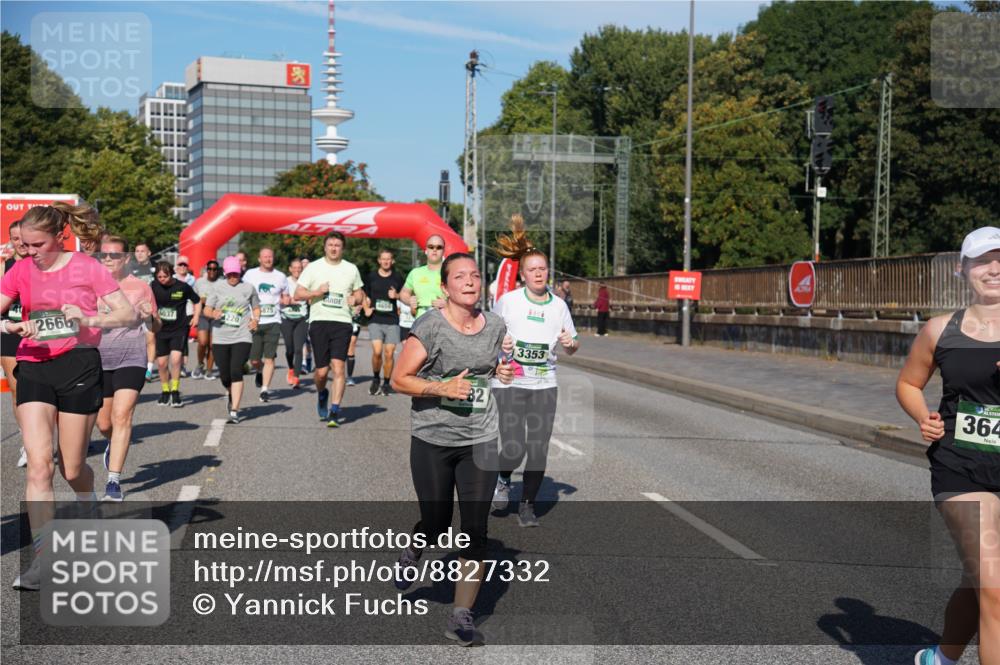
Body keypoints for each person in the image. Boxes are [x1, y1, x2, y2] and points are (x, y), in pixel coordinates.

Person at [1, 202, 135, 590]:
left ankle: (88, 503)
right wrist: (10, 327)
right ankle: (43, 561)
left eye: (37, 245)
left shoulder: (86, 267)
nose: (29, 252)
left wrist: (87, 318)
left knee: (71, 469)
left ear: (60, 237)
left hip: (79, 364)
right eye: (24, 245)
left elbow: (126, 315)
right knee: (39, 466)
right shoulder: (20, 269)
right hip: (34, 364)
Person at [390, 252, 513, 646]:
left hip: (481, 437)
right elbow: (399, 379)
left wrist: (500, 371)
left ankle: (461, 615)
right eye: (460, 276)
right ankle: (415, 548)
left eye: (475, 275)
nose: (470, 281)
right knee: (437, 523)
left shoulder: (495, 325)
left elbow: (488, 368)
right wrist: (441, 387)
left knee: (475, 529)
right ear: (444, 287)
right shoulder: (430, 326)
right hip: (434, 437)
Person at [897, 226, 1000, 665]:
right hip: (961, 468)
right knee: (995, 587)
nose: (994, 269)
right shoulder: (941, 330)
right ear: (963, 269)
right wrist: (923, 416)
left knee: (979, 582)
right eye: (983, 260)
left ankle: (940, 658)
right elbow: (908, 383)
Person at [490, 216, 580, 527]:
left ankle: (527, 505)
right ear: (523, 274)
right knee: (514, 447)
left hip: (545, 384)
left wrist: (570, 343)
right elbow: (489, 333)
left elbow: (573, 344)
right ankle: (503, 478)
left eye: (543, 268)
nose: (539, 273)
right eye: (533, 269)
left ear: (548, 272)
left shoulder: (559, 306)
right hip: (510, 383)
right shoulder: (508, 302)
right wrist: (501, 342)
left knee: (538, 449)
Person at [94, 236, 160, 501]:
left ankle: (113, 482)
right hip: (98, 360)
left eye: (115, 255)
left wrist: (149, 317)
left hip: (131, 357)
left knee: (122, 416)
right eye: (105, 255)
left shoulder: (140, 287)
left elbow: (156, 326)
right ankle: (114, 442)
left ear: (126, 258)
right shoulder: (90, 285)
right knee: (104, 422)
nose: (109, 259)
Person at [295, 232, 365, 427]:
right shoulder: (313, 267)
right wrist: (317, 292)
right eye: (331, 245)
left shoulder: (351, 269)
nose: (334, 248)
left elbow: (359, 294)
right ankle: (322, 393)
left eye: (337, 245)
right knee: (322, 372)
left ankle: (334, 411)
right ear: (325, 247)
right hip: (319, 322)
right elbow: (298, 293)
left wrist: (355, 299)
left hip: (342, 322)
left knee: (339, 367)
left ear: (342, 248)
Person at [204, 256, 260, 423]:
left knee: (236, 370)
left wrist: (255, 320)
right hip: (221, 337)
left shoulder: (248, 288)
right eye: (230, 274)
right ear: (225, 273)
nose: (233, 277)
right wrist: (213, 313)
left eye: (236, 274)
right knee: (225, 375)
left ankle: (234, 410)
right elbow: (207, 309)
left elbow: (256, 307)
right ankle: (230, 392)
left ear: (240, 272)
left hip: (242, 335)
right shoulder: (217, 287)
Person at [151, 261, 200, 407]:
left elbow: (197, 301)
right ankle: (165, 391)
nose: (162, 280)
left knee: (176, 359)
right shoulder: (153, 286)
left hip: (179, 328)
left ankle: (175, 391)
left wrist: (196, 316)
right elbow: (145, 301)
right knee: (161, 363)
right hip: (161, 329)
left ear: (171, 274)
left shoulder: (182, 287)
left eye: (165, 276)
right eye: (159, 277)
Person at [243, 248, 289, 402]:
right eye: (265, 257)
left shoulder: (280, 277)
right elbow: (243, 294)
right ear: (259, 259)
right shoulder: (250, 274)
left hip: (273, 321)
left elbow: (286, 296)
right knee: (254, 360)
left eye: (270, 256)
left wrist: (286, 300)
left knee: (269, 358)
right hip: (254, 322)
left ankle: (264, 389)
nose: (268, 259)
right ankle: (259, 370)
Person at [2, 220, 28, 468]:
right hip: (10, 330)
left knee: (44, 389)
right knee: (17, 389)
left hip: (37, 330)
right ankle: (27, 443)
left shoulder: (41, 264)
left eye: (23, 237)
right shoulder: (4, 265)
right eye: (15, 238)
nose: (20, 242)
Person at [363, 248, 405, 396]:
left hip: (392, 320)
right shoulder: (371, 277)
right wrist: (366, 309)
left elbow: (405, 295)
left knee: (389, 353)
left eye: (388, 259)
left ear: (392, 261)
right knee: (377, 352)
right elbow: (363, 294)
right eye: (383, 259)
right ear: (379, 260)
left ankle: (386, 383)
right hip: (375, 318)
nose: (386, 261)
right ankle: (376, 378)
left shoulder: (397, 277)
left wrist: (397, 295)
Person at [399, 235, 447, 321]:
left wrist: (448, 304)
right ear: (426, 250)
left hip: (444, 321)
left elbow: (462, 298)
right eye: (431, 247)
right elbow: (403, 293)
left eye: (439, 247)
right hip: (421, 322)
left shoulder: (450, 273)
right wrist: (409, 300)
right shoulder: (415, 273)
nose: (434, 250)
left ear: (443, 251)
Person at [280, 258, 309, 389]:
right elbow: (276, 297)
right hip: (286, 318)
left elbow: (312, 297)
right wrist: (286, 301)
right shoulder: (284, 281)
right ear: (290, 269)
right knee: (290, 349)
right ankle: (291, 368)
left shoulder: (306, 282)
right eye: (295, 268)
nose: (297, 270)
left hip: (302, 319)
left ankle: (296, 377)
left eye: (299, 268)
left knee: (298, 349)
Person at [193, 259, 221, 379]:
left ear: (218, 270)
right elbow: (193, 298)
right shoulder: (200, 282)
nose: (212, 271)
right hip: (203, 314)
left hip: (216, 315)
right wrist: (195, 312)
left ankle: (209, 370)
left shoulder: (222, 282)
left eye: (214, 269)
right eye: (210, 269)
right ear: (206, 270)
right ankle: (200, 364)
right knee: (203, 342)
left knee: (213, 345)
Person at [174, 255, 196, 377]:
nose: (182, 267)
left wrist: (195, 315)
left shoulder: (192, 280)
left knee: (183, 338)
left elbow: (196, 298)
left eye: (184, 265)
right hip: (173, 312)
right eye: (180, 265)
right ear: (176, 266)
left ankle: (182, 366)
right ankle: (174, 364)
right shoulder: (171, 278)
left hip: (187, 312)